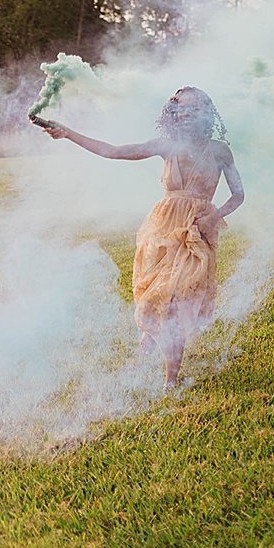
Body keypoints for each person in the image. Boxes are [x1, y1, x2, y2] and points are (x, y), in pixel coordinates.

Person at [42, 86, 244, 389]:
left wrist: (213, 217)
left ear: (207, 113)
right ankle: (154, 338)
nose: (186, 114)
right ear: (173, 114)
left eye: (194, 108)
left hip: (197, 231)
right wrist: (68, 133)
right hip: (162, 230)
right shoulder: (166, 146)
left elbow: (238, 195)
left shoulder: (220, 151)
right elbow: (113, 151)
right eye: (180, 108)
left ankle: (170, 380)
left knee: (176, 297)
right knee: (157, 294)